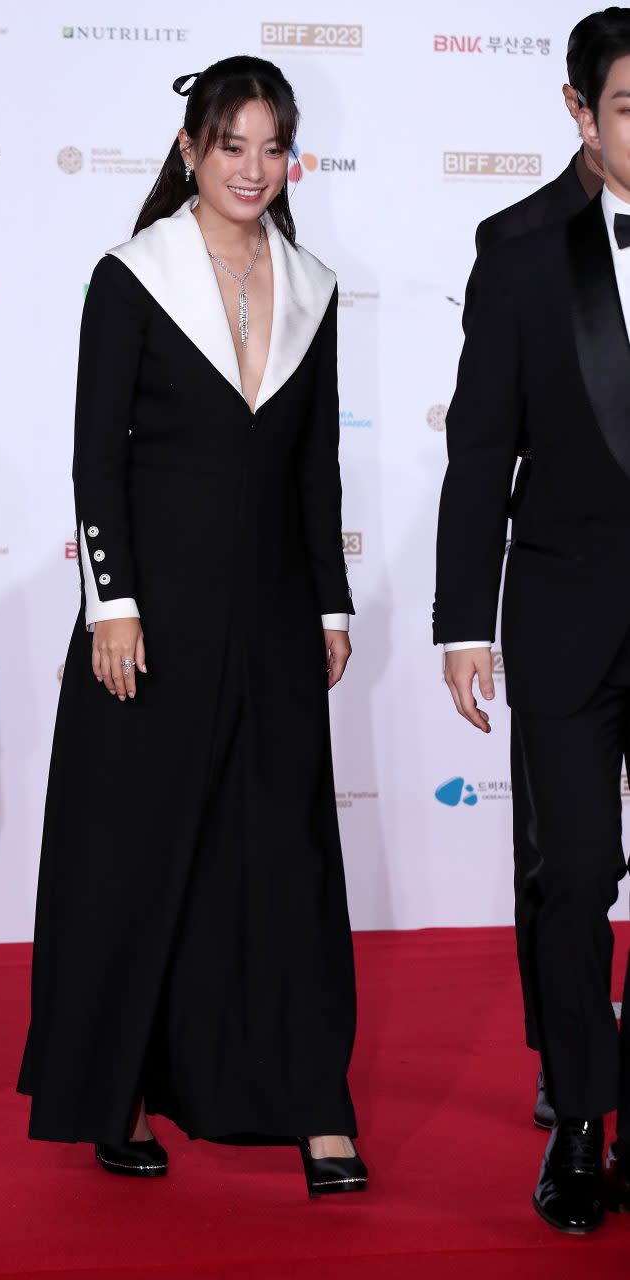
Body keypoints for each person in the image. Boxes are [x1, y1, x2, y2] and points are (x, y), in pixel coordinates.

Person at [19, 55, 365, 1198]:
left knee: (287, 859)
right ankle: (114, 1086)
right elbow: (92, 457)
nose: (253, 170)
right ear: (190, 152)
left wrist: (328, 597)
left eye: (272, 147)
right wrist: (107, 605)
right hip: (149, 623)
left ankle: (318, 1101)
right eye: (232, 146)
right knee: (131, 859)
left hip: (272, 617)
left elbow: (314, 466)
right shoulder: (131, 277)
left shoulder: (313, 284)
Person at [435, 13, 630, 1233]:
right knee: (574, 879)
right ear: (577, 111)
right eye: (629, 105)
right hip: (565, 608)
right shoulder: (514, 248)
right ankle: (577, 1112)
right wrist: (465, 619)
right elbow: (475, 449)